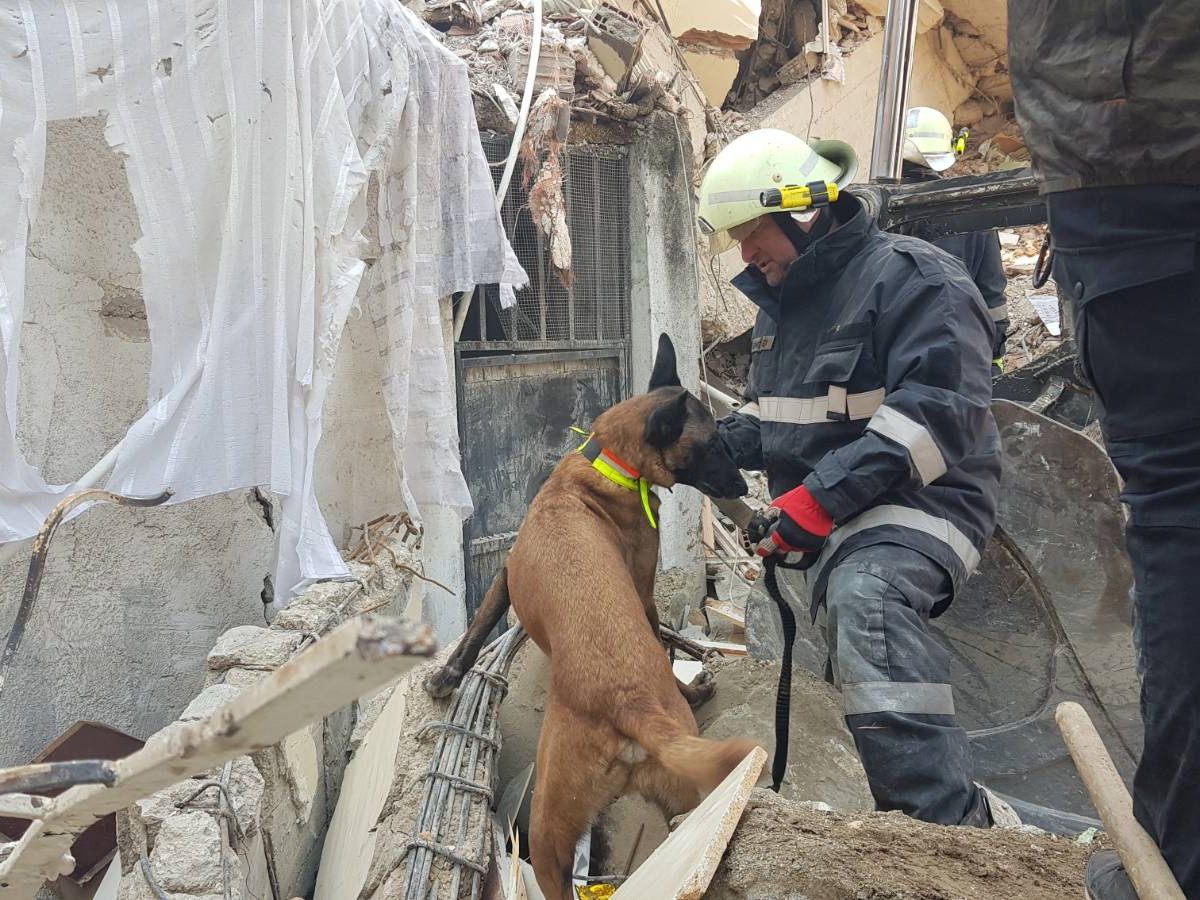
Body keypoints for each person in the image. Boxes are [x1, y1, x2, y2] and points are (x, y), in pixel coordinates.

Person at [698, 128, 1014, 827]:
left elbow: (940, 414)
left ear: (803, 211)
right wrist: (701, 448)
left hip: (927, 503)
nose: (744, 255)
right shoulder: (781, 312)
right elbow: (779, 421)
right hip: (835, 509)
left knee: (865, 597)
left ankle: (947, 832)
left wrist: (817, 499)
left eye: (751, 234)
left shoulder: (916, 280)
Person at [1008, 3, 1200, 896]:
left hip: (1143, 160)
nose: (750, 262)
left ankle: (1185, 858)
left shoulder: (903, 277)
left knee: (1184, 512)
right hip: (1133, 158)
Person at [901, 107, 1010, 375]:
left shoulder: (872, 208)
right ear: (951, 149)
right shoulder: (971, 210)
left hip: (894, 357)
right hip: (960, 355)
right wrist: (993, 358)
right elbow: (991, 293)